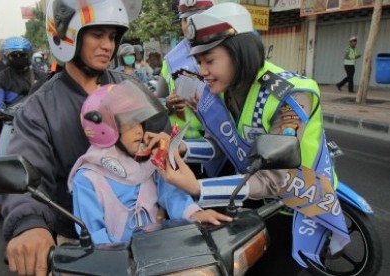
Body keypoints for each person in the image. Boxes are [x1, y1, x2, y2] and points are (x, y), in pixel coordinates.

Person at [157, 2, 350, 270]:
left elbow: (273, 180)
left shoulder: (291, 94)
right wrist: (183, 150)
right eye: (199, 62)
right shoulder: (225, 88)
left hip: (296, 206)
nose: (202, 72)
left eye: (210, 60)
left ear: (240, 52)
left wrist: (198, 188)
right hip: (254, 200)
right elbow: (222, 143)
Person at [1, 1, 170, 275]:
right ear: (68, 35)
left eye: (112, 36)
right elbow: (26, 172)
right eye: (97, 34)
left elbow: (165, 137)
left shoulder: (129, 88)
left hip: (146, 229)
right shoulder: (40, 108)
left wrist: (169, 151)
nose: (108, 45)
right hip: (81, 243)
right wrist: (30, 224)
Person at [68, 80, 231, 244]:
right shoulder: (88, 179)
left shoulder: (148, 160)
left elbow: (172, 194)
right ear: (105, 129)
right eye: (130, 124)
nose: (139, 130)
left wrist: (195, 214)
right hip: (119, 263)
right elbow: (94, 236)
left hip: (157, 251)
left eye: (140, 121)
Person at [0, 36, 46, 230]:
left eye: (22, 54)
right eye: (14, 55)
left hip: (38, 126)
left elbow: (49, 97)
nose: (18, 58)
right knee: (1, 163)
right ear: (6, 57)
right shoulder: (1, 78)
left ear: (29, 55)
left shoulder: (41, 75)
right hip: (11, 124)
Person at [159, 0, 213, 141]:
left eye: (197, 18)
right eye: (186, 20)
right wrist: (168, 104)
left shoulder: (225, 55)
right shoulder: (170, 60)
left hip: (218, 142)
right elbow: (156, 101)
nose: (191, 25)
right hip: (180, 145)